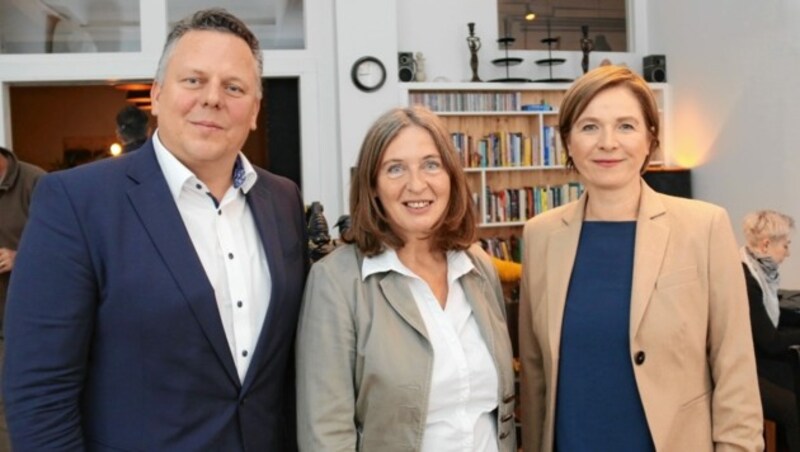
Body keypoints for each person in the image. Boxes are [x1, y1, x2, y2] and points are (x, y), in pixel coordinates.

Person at [3, 8, 307, 450]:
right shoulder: (76, 202)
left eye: (234, 87)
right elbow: (39, 392)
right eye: (193, 80)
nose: (212, 98)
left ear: (256, 110)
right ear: (158, 95)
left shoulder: (282, 200)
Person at [518, 65, 763, 451]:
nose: (608, 142)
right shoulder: (540, 235)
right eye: (589, 126)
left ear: (651, 138)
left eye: (626, 126)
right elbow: (535, 376)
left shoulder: (704, 227)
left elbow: (735, 367)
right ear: (567, 140)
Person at [296, 106, 516, 451]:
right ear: (373, 187)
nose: (417, 184)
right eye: (395, 169)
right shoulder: (336, 282)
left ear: (450, 177)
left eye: (431, 164)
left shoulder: (477, 266)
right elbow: (326, 434)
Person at [741, 210, 800, 451]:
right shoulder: (746, 280)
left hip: (759, 358)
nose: (788, 253)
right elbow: (770, 341)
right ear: (766, 244)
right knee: (793, 409)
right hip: (744, 368)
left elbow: (768, 317)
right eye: (785, 246)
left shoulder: (760, 272)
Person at [0, 146, 45, 452]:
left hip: (19, 323)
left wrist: (21, 257)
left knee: (10, 406)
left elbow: (69, 250)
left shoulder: (36, 182)